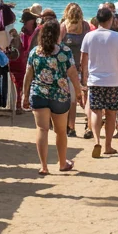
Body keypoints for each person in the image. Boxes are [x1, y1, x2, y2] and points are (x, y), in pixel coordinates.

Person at [22, 19, 81, 175]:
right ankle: (62, 163)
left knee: (42, 129)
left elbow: (28, 74)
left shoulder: (35, 52)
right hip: (59, 95)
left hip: (39, 94)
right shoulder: (65, 51)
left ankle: (44, 166)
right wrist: (79, 91)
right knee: (60, 131)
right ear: (57, 34)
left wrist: (24, 95)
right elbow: (72, 73)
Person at [80, 7, 118, 157]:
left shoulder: (89, 36)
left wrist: (84, 77)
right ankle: (108, 145)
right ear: (111, 20)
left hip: (95, 80)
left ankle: (97, 141)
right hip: (113, 80)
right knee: (111, 113)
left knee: (96, 111)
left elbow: (83, 60)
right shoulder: (117, 36)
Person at [60, 3, 88, 136]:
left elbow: (57, 46)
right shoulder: (85, 26)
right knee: (78, 97)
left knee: (70, 98)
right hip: (80, 66)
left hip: (66, 67)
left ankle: (70, 126)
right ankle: (84, 124)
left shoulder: (63, 26)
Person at [10, 8, 38, 114]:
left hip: (32, 61)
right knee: (20, 84)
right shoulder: (22, 34)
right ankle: (19, 105)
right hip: (23, 62)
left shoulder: (37, 33)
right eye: (24, 23)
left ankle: (27, 103)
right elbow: (20, 49)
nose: (25, 25)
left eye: (26, 22)